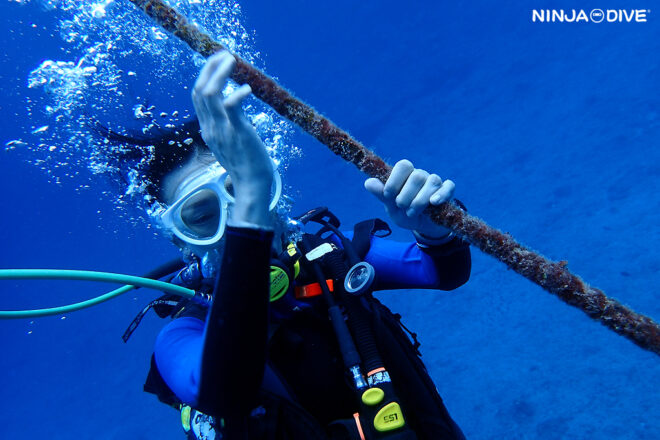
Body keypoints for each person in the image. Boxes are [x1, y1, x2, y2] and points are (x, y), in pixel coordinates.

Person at [126, 51, 471, 439]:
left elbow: (443, 271)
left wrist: (435, 227)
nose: (236, 218)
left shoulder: (331, 260)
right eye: (203, 216)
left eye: (242, 191)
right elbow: (224, 389)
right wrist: (251, 194)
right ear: (180, 238)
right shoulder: (182, 333)